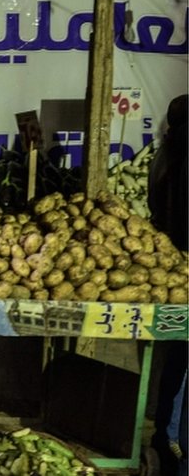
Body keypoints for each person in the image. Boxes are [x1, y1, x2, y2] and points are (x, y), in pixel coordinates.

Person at [148, 94, 188, 476]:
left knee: (177, 357)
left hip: (172, 268)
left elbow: (156, 206)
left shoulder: (164, 155)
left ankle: (165, 433)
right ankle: (173, 443)